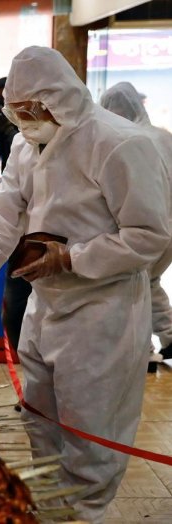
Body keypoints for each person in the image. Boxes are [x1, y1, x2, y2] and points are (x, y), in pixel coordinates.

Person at [0, 47, 169, 523]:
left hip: (102, 313)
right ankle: (47, 512)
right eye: (14, 111)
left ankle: (81, 514)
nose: (22, 120)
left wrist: (73, 258)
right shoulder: (27, 145)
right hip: (45, 308)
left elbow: (150, 236)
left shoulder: (119, 143)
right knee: (39, 423)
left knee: (91, 437)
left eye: (29, 110)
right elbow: (1, 218)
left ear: (57, 99)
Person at [100, 81, 172, 369]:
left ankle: (142, 352)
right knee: (150, 282)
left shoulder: (128, 141)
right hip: (168, 227)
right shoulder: (164, 137)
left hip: (145, 228)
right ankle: (167, 337)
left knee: (135, 287)